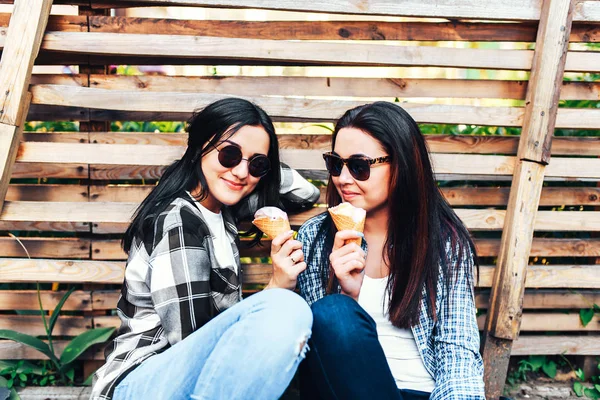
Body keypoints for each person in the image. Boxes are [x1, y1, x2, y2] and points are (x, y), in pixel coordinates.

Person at [91, 98, 320, 400]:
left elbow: (306, 193)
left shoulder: (224, 210)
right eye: (229, 154)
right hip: (140, 384)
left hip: (184, 380)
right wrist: (276, 286)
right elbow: (193, 342)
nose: (240, 172)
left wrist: (254, 160)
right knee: (284, 307)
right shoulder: (180, 223)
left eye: (257, 164)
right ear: (201, 147)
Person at [296, 102, 485, 400]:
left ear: (402, 166)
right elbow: (319, 350)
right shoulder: (316, 238)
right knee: (335, 312)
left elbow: (457, 348)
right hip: (345, 392)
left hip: (424, 393)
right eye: (335, 164)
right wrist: (349, 296)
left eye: (359, 166)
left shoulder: (442, 240)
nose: (343, 178)